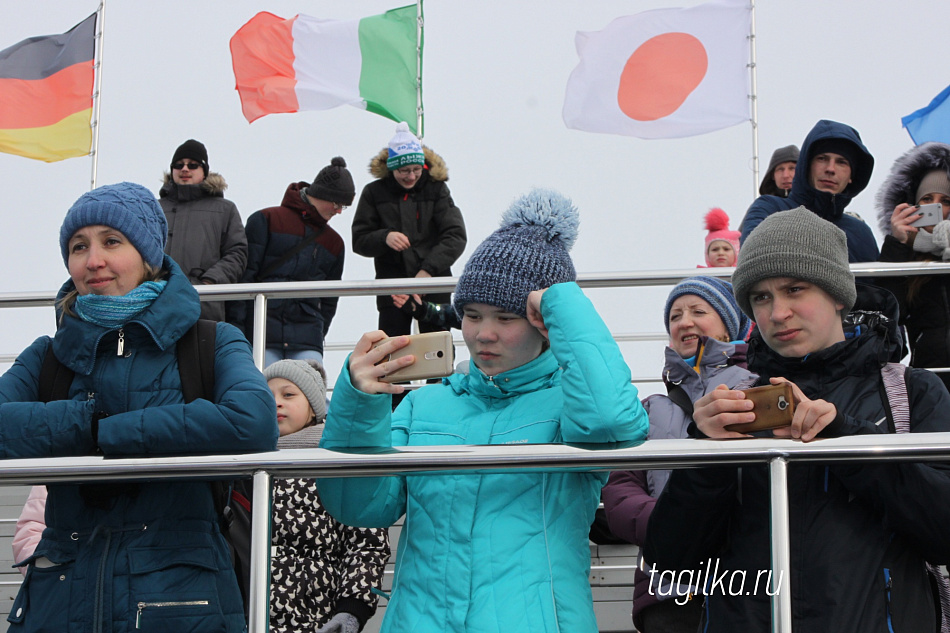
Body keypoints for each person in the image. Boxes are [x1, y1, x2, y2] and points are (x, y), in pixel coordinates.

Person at [319, 188, 649, 632]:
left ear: (544, 324)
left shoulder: (574, 404)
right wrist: (359, 400)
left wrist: (562, 302)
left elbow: (614, 423)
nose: (483, 334)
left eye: (505, 317)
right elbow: (357, 506)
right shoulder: (423, 403)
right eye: (472, 315)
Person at [644, 207, 950, 632]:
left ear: (838, 293)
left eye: (795, 288)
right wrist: (705, 458)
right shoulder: (732, 404)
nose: (778, 312)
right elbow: (671, 565)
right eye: (761, 297)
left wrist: (846, 440)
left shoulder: (911, 391)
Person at [1, 182, 277, 633]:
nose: (93, 261)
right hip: (58, 596)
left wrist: (108, 433)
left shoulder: (211, 341)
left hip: (181, 597)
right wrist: (89, 424)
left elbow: (253, 423)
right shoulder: (47, 355)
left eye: (112, 241)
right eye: (78, 246)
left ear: (149, 255)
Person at [602, 276, 755, 632]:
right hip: (669, 594)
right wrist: (674, 521)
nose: (684, 321)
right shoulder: (648, 409)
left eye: (698, 311)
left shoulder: (759, 388)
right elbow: (618, 491)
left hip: (747, 586)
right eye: (675, 316)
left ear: (729, 322)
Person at [263, 359, 390, 633]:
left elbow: (366, 543)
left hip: (317, 618)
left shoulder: (334, 462)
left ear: (313, 408)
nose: (276, 403)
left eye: (288, 394)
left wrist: (351, 609)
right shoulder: (246, 465)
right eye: (266, 396)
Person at [230, 157, 354, 366]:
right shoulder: (265, 220)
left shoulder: (335, 243)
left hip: (307, 337)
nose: (339, 211)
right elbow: (245, 279)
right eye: (337, 203)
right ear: (323, 194)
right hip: (261, 332)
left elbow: (329, 301)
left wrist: (318, 332)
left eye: (344, 206)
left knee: (312, 396)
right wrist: (238, 332)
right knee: (266, 394)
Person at [351, 122, 466, 337]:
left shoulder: (438, 189)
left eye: (416, 170)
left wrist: (427, 272)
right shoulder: (373, 193)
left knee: (436, 352)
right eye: (404, 170)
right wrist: (384, 237)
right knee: (393, 349)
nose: (411, 176)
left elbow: (455, 236)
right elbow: (359, 240)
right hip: (393, 288)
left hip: (434, 285)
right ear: (392, 168)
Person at [739, 120, 879, 262]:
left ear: (851, 176)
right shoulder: (768, 209)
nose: (830, 169)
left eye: (841, 162)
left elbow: (881, 284)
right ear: (806, 166)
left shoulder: (861, 232)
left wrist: (897, 245)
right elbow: (753, 264)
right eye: (822, 159)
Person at [875, 141, 950, 392]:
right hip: (931, 379)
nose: (936, 208)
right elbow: (886, 311)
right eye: (927, 199)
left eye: (945, 200)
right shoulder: (905, 256)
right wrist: (898, 243)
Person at [159, 139, 247, 321]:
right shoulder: (152, 208)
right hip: (157, 304)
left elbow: (237, 253)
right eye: (178, 165)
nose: (184, 169)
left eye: (192, 165)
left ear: (204, 171)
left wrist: (209, 282)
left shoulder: (225, 209)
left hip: (204, 306)